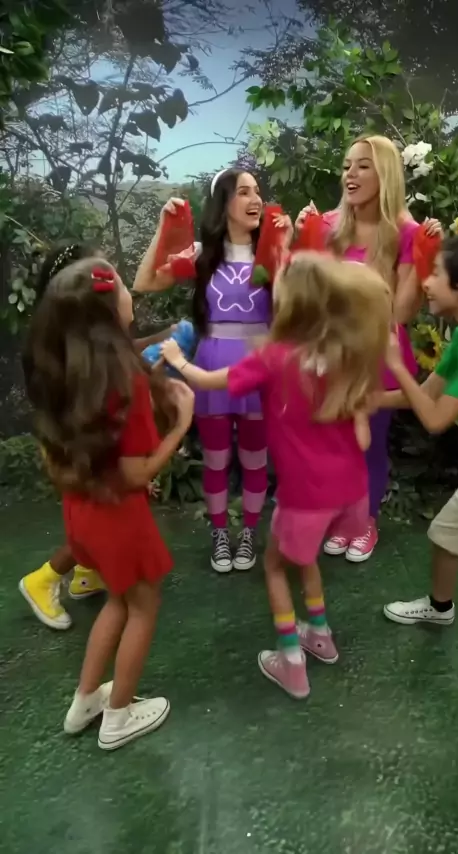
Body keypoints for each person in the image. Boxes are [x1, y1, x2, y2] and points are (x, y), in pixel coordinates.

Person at [161, 252, 392, 698]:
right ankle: (319, 634)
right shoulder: (345, 354)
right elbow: (362, 436)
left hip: (305, 496)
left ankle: (291, 662)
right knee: (305, 560)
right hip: (352, 494)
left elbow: (209, 382)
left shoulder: (274, 358)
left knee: (274, 567)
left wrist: (177, 358)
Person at [24, 256, 194, 749]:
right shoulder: (124, 381)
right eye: (122, 284)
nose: (130, 293)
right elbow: (137, 472)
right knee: (143, 605)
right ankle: (118, 715)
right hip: (120, 518)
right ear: (106, 310)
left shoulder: (68, 373)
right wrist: (181, 424)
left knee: (119, 600)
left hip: (83, 513)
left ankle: (86, 700)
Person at [134, 169, 291, 574]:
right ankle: (220, 533)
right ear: (224, 203)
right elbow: (144, 282)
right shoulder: (202, 255)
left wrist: (287, 249)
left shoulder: (271, 254)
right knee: (217, 460)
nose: (255, 199)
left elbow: (294, 311)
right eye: (244, 192)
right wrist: (163, 228)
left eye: (258, 191)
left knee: (255, 460)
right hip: (211, 363)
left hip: (259, 369)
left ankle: (249, 533)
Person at [295, 134, 442, 562]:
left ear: (385, 174)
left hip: (377, 354)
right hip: (327, 352)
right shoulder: (326, 225)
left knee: (367, 443)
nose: (350, 174)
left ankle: (365, 520)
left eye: (362, 166)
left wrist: (425, 254)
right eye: (346, 166)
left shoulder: (406, 233)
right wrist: (299, 241)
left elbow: (403, 311)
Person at [20, 242, 178, 631]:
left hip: (86, 457)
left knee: (92, 522)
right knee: (98, 519)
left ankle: (85, 573)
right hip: (86, 460)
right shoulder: (72, 355)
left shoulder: (72, 344)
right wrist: (176, 427)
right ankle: (44, 578)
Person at [380, 233, 458, 626]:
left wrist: (396, 365)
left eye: (436, 273)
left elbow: (436, 420)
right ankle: (440, 609)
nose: (426, 282)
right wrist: (366, 401)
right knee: (444, 536)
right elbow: (424, 395)